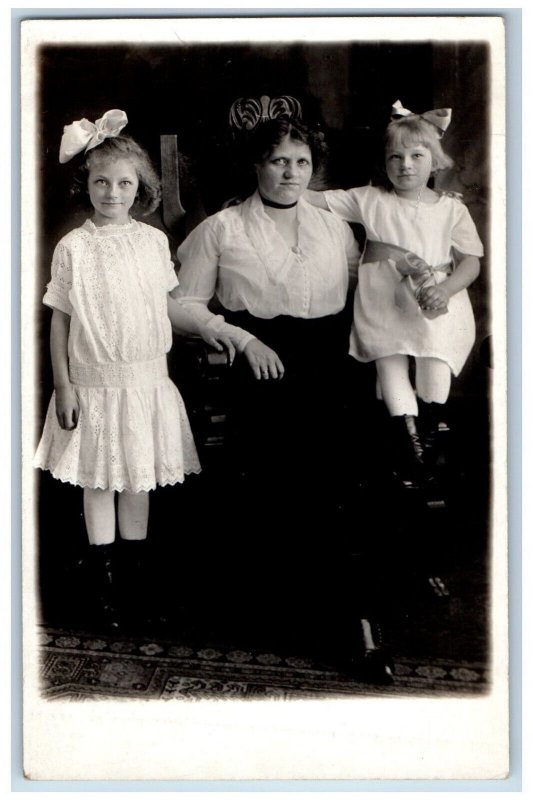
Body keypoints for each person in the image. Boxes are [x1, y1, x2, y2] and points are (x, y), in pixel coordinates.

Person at [173, 96, 394, 683]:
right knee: (281, 484)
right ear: (257, 165)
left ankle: (358, 625)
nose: (290, 171)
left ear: (312, 167)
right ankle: (291, 614)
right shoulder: (220, 229)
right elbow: (181, 304)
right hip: (262, 366)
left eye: (300, 161)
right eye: (277, 160)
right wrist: (238, 340)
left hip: (334, 365)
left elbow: (363, 294)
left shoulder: (337, 228)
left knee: (346, 483)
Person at [34, 110, 209, 629]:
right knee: (99, 481)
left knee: (138, 479)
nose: (113, 193)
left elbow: (169, 305)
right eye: (102, 182)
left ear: (141, 188)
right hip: (93, 384)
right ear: (85, 184)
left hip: (145, 381)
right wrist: (64, 386)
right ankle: (103, 586)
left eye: (125, 183)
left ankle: (136, 578)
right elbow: (60, 323)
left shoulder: (153, 242)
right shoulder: (74, 247)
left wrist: (213, 326)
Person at [306, 99, 484, 490]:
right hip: (384, 299)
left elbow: (471, 261)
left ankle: (432, 444)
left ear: (434, 161)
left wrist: (446, 289)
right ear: (384, 162)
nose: (405, 164)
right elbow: (315, 199)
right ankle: (413, 455)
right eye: (395, 156)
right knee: (390, 367)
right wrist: (285, 174)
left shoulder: (449, 209)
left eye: (416, 156)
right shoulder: (369, 199)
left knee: (434, 377)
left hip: (432, 298)